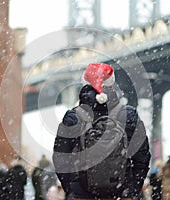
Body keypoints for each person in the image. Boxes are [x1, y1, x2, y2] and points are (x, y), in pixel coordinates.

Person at [53, 63, 151, 200]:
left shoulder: (73, 117)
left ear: (85, 85)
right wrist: (131, 190)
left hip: (82, 196)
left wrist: (73, 189)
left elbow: (60, 159)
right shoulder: (128, 115)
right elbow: (142, 158)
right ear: (111, 85)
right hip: (120, 195)